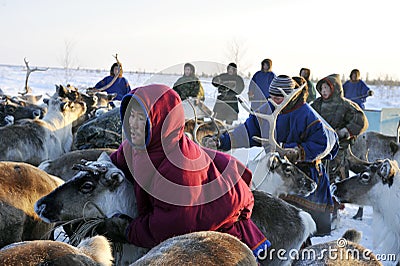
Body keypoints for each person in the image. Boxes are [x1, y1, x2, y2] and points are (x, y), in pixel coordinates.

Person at [97, 84, 270, 261]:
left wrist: (128, 230)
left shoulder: (179, 167)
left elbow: (173, 226)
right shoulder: (136, 147)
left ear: (161, 122)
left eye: (141, 118)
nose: (132, 124)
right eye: (131, 116)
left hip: (212, 222)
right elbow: (114, 162)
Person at [205, 75, 339, 237]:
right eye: (272, 95)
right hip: (277, 174)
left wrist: (298, 151)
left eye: (279, 96)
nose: (275, 100)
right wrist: (221, 141)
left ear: (291, 94)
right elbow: (247, 131)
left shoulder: (307, 115)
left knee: (307, 230)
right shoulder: (265, 111)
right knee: (278, 227)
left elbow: (322, 143)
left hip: (304, 174)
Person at [312, 74, 368, 221]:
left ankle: (334, 213)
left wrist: (346, 131)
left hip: (338, 151)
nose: (323, 91)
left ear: (334, 89)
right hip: (321, 149)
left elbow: (361, 120)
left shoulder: (345, 105)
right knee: (319, 179)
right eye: (322, 88)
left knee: (335, 179)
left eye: (326, 88)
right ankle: (319, 210)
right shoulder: (316, 105)